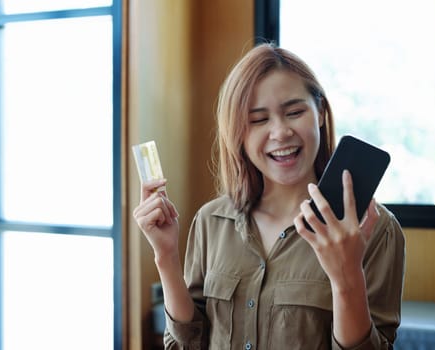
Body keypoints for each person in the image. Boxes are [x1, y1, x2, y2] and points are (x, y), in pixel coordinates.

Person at [133, 43, 405, 350]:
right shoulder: (210, 221)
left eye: (294, 112)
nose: (280, 132)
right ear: (239, 132)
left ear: (319, 114)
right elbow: (186, 345)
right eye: (258, 119)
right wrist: (166, 257)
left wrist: (346, 279)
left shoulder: (373, 228)